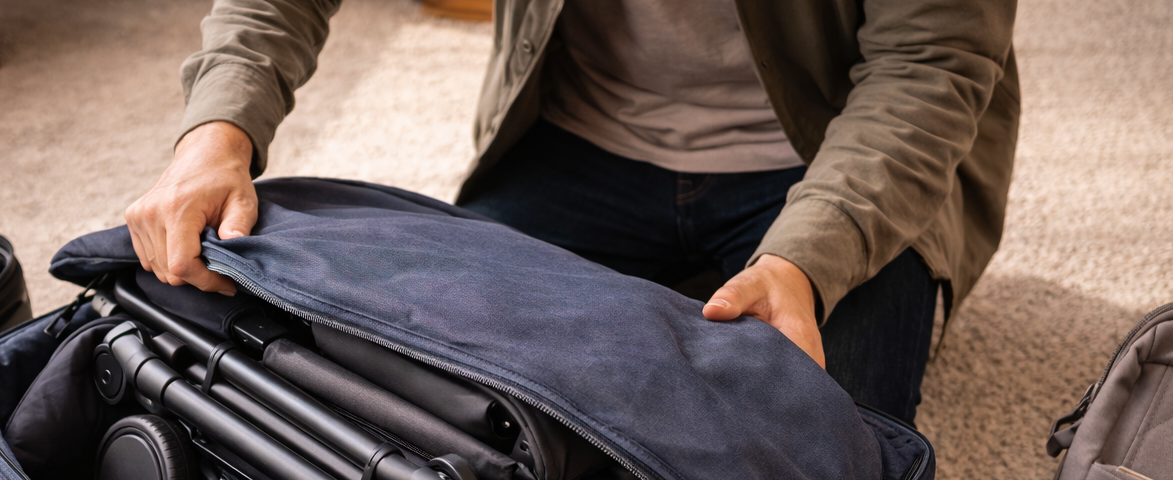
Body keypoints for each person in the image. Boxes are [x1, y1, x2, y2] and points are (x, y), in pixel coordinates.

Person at [124, 0, 1019, 425]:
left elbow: (931, 63)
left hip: (829, 157)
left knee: (816, 464)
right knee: (422, 400)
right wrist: (218, 130)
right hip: (580, 139)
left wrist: (807, 260)